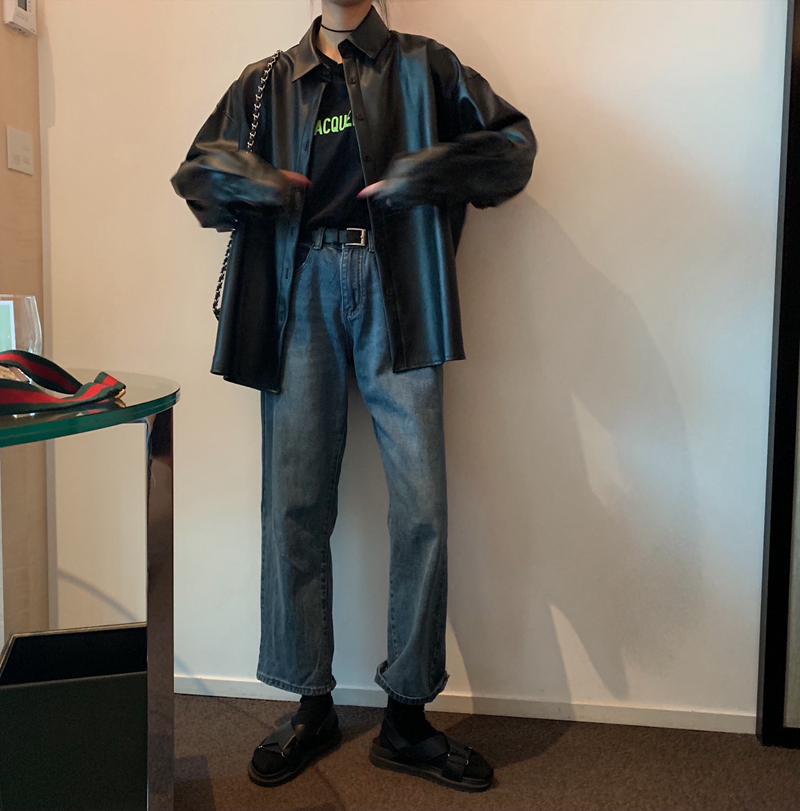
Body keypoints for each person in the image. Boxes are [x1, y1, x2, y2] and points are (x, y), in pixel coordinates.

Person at [171, 0, 535, 793]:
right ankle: (311, 702)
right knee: (295, 501)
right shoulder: (267, 81)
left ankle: (407, 715)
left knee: (422, 505)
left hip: (400, 284)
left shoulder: (425, 65)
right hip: (298, 290)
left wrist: (430, 172)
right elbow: (195, 177)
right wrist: (258, 183)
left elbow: (514, 148)